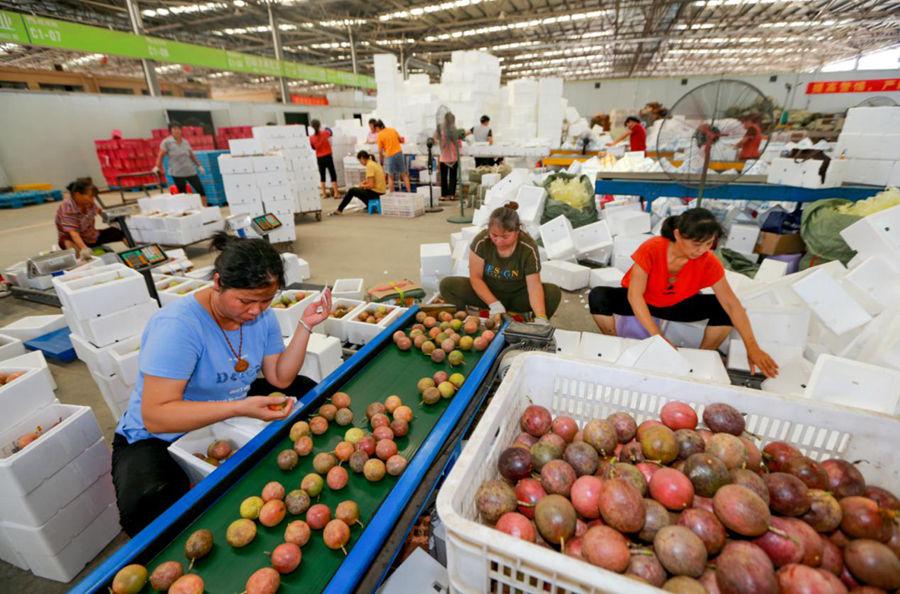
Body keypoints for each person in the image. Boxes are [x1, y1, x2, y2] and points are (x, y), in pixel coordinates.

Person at [112, 233, 332, 536]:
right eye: (246, 301)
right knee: (149, 505)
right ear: (218, 283)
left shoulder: (262, 317)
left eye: (266, 300)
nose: (256, 311)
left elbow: (280, 378)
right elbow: (156, 416)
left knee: (303, 387)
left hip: (226, 409)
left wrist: (305, 325)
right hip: (158, 434)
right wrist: (239, 408)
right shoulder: (178, 327)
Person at [588, 208, 779, 377]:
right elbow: (634, 296)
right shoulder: (652, 249)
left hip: (677, 304)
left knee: (723, 308)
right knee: (598, 296)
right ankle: (616, 345)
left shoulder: (708, 262)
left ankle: (702, 358)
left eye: (708, 244)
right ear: (678, 235)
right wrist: (658, 338)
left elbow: (731, 304)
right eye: (696, 244)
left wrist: (752, 347)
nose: (702, 250)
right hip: (643, 302)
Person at [439, 202, 561, 323]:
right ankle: (466, 321)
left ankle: (533, 323)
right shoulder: (482, 241)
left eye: (505, 237)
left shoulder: (528, 248)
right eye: (494, 235)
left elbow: (533, 286)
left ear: (517, 231)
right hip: (488, 292)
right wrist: (494, 304)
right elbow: (475, 278)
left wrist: (541, 316)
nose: (499, 241)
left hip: (517, 296)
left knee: (552, 293)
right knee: (447, 285)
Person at [55, 178, 127, 259]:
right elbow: (73, 233)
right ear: (78, 195)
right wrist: (83, 248)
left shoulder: (88, 203)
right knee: (71, 247)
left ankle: (135, 252)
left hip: (90, 236)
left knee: (117, 233)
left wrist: (109, 218)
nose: (92, 199)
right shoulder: (68, 207)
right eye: (90, 196)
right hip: (73, 239)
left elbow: (99, 211)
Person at [153, 122, 207, 206]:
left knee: (200, 190)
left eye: (178, 128)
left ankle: (205, 208)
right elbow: (161, 155)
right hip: (177, 173)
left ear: (181, 130)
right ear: (170, 131)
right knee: (183, 194)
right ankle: (187, 209)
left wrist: (199, 165)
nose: (176, 131)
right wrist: (157, 166)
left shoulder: (185, 142)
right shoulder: (167, 142)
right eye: (174, 129)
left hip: (190, 171)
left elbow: (191, 155)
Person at [330, 150, 386, 216]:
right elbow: (373, 179)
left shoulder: (369, 166)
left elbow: (371, 185)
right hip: (381, 191)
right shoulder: (375, 163)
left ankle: (339, 209)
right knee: (359, 191)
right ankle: (369, 205)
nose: (360, 163)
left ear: (362, 158)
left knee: (352, 190)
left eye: (360, 161)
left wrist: (361, 186)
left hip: (377, 193)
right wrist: (364, 183)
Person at [375, 120, 411, 193]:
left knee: (390, 176)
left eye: (376, 129)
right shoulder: (392, 130)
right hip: (399, 153)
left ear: (378, 127)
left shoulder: (380, 135)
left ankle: (392, 195)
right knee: (404, 174)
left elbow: (380, 151)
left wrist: (381, 161)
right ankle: (409, 192)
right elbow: (401, 140)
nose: (376, 131)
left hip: (390, 155)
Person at [309, 119, 340, 199]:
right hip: (328, 156)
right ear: (319, 125)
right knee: (332, 174)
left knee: (322, 176)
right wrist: (325, 127)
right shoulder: (325, 133)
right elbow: (330, 132)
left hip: (319, 158)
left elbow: (313, 148)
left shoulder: (311, 138)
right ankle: (336, 193)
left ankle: (324, 194)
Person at [435, 111, 461, 201]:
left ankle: (443, 195)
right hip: (453, 157)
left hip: (443, 158)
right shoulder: (454, 129)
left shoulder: (440, 129)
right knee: (453, 177)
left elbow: (436, 139)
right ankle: (452, 195)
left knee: (443, 177)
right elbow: (458, 143)